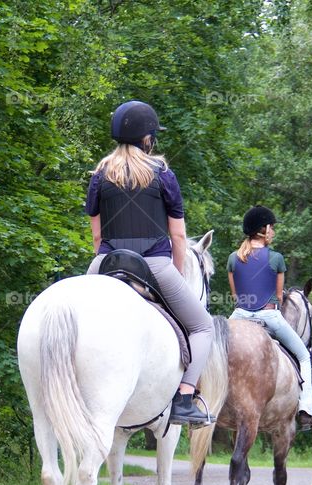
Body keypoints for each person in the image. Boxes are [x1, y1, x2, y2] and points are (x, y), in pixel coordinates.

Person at [84, 100, 214, 424]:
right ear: (147, 139)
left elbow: (97, 238)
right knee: (202, 326)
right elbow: (179, 237)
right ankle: (184, 398)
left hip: (106, 264)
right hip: (153, 265)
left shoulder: (100, 176)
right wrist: (178, 272)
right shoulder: (163, 174)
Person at [226, 205, 312, 429]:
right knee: (304, 355)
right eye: (272, 227)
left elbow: (235, 295)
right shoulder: (276, 258)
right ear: (263, 229)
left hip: (239, 315)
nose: (273, 232)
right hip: (269, 315)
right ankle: (306, 409)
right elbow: (278, 296)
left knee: (211, 346)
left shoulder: (232, 259)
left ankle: (194, 395)